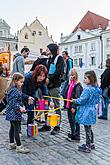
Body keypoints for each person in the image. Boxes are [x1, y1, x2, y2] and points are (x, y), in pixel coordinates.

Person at [39, 43, 65, 135]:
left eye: (47, 49)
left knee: (56, 106)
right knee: (45, 105)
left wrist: (49, 79)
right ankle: (47, 124)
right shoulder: (49, 59)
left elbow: (58, 72)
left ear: (52, 49)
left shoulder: (59, 58)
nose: (46, 50)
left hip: (54, 86)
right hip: (47, 85)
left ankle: (57, 126)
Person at [72, 71, 101, 153]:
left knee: (87, 129)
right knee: (89, 128)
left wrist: (75, 100)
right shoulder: (96, 88)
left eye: (85, 78)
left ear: (90, 79)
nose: (84, 80)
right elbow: (97, 100)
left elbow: (82, 100)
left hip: (86, 111)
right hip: (92, 110)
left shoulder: (87, 89)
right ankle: (91, 143)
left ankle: (88, 146)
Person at [22, 64, 53, 133]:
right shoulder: (27, 77)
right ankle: (18, 131)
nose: (41, 78)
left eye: (43, 76)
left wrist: (49, 101)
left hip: (32, 95)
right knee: (21, 113)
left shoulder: (42, 81)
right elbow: (21, 92)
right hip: (22, 95)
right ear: (36, 74)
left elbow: (45, 93)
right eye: (40, 75)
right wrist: (27, 97)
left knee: (31, 112)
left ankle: (29, 130)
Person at [5, 73, 30, 153]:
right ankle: (19, 146)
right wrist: (20, 108)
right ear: (16, 81)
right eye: (21, 82)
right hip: (14, 113)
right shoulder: (15, 90)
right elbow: (13, 103)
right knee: (17, 129)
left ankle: (11, 143)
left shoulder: (12, 89)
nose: (22, 84)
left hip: (11, 112)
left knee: (12, 128)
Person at [66, 69, 83, 141]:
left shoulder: (77, 86)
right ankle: (73, 133)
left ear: (75, 75)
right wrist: (69, 83)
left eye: (72, 75)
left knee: (75, 120)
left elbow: (77, 97)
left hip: (73, 106)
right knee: (71, 120)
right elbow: (66, 92)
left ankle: (76, 135)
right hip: (69, 104)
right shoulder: (71, 84)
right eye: (70, 75)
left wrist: (74, 106)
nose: (71, 76)